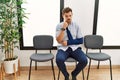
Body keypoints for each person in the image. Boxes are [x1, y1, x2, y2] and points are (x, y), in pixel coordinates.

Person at [56, 7, 88, 80]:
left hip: (75, 48)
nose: (68, 18)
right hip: (63, 49)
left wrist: (68, 42)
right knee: (59, 60)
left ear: (72, 15)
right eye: (66, 16)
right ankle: (66, 75)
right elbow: (58, 40)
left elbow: (80, 40)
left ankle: (74, 74)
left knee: (84, 60)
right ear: (63, 16)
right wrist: (63, 28)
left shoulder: (76, 25)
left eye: (70, 16)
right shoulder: (59, 26)